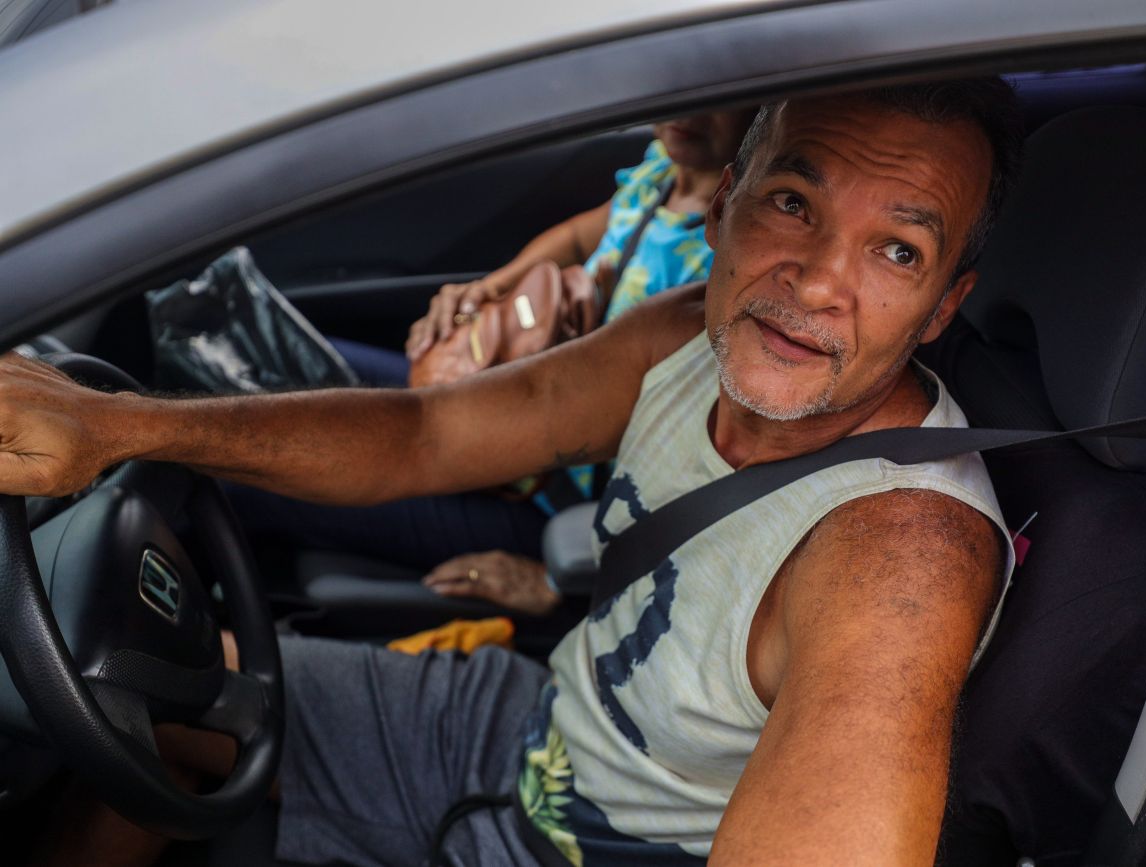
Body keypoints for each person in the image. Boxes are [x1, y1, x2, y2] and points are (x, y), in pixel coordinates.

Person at [1, 78, 1022, 865]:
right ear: (721, 208)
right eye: (794, 202)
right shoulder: (679, 338)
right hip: (523, 730)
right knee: (140, 688)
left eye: (897, 251)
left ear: (943, 305)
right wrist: (122, 426)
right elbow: (429, 434)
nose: (819, 281)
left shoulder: (901, 561)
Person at [228, 110, 755, 617]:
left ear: (764, 111)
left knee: (252, 474)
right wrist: (485, 291)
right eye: (684, 88)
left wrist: (558, 580)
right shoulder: (662, 171)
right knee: (268, 369)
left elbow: (702, 473)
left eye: (722, 96)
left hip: (551, 503)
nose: (690, 113)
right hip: (510, 407)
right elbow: (580, 237)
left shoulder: (732, 260)